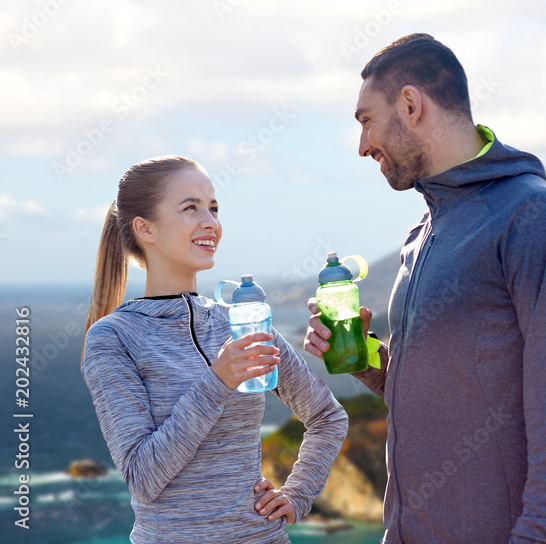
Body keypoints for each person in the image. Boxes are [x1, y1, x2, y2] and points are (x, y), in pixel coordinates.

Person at [304, 34, 546, 543]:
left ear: (411, 104)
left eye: (366, 120)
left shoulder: (533, 216)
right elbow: (447, 387)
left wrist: (540, 532)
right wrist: (368, 362)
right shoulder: (423, 233)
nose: (362, 145)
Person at [82, 156, 348, 544]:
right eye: (191, 208)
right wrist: (217, 382)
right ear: (145, 229)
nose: (211, 222)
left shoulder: (242, 322)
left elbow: (327, 417)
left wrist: (298, 494)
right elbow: (143, 478)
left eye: (214, 208)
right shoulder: (114, 338)